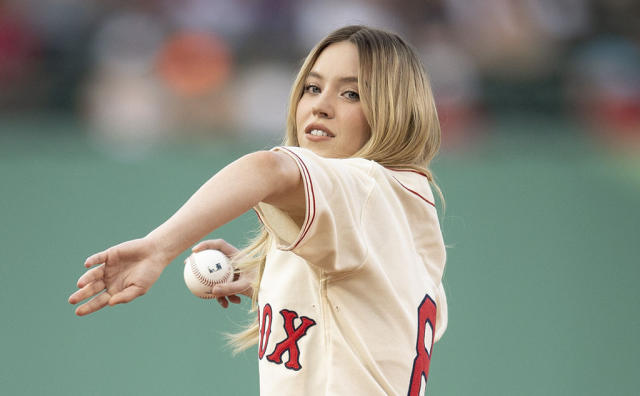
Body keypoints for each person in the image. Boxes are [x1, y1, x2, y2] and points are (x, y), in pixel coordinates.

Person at [68, 25, 448, 395]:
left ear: (395, 109)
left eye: (351, 94)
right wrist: (276, 284)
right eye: (312, 88)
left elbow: (266, 169)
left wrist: (159, 246)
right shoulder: (404, 211)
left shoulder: (364, 188)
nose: (321, 105)